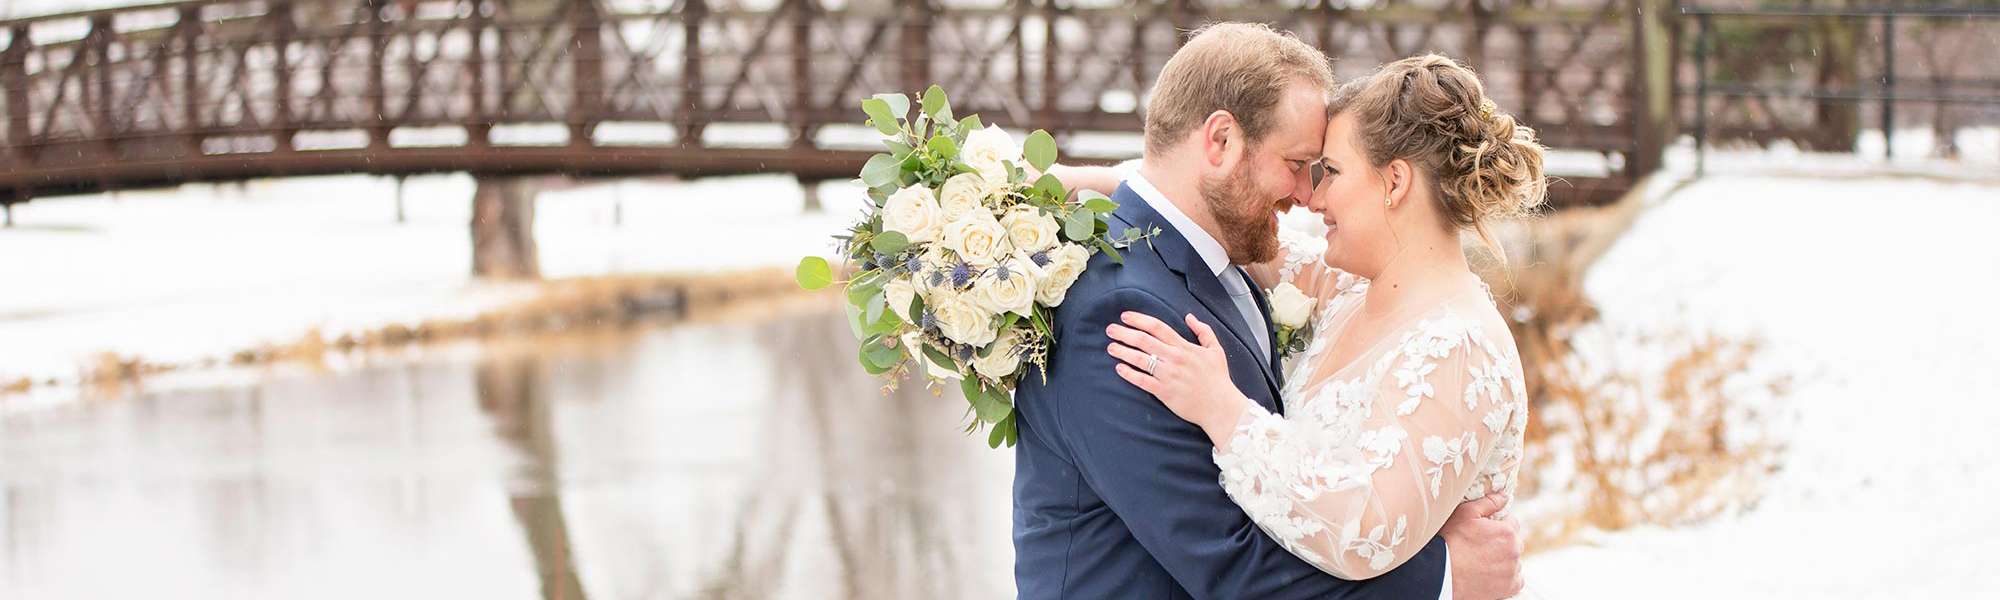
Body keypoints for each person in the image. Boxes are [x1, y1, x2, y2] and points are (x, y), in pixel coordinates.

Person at [1012, 22, 1529, 599]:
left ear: (1395, 183)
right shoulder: (1344, 291)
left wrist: (1226, 410)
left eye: (1326, 170)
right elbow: (1200, 209)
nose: (1309, 196)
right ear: (1223, 141)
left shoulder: (1457, 344)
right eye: (1304, 166)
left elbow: (1364, 529)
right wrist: (1096, 182)